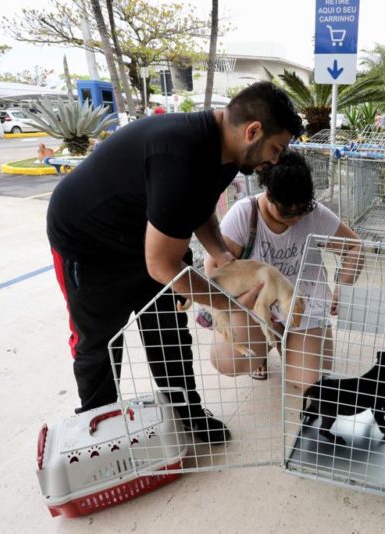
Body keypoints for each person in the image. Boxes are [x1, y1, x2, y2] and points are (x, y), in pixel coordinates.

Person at [47, 82, 303, 444]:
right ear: (253, 131)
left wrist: (223, 257)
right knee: (99, 341)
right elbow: (162, 266)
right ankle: (98, 424)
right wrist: (225, 302)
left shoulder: (229, 155)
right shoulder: (180, 154)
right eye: (276, 148)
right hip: (88, 243)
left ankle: (187, 411)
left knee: (168, 330)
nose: (276, 160)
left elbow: (198, 210)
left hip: (151, 236)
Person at [203, 150, 362, 392]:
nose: (295, 218)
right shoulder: (245, 214)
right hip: (255, 307)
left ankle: (287, 343)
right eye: (287, 212)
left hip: (302, 304)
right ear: (268, 195)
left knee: (309, 383)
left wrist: (343, 287)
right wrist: (241, 303)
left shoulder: (315, 214)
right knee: (228, 361)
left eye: (302, 210)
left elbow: (354, 247)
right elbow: (214, 269)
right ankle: (262, 351)